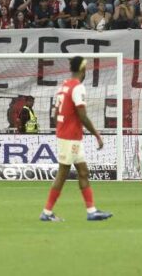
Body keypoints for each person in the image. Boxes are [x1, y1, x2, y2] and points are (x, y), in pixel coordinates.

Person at [41, 56, 112, 221]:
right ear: (82, 69)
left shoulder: (64, 85)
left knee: (83, 172)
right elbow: (83, 116)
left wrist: (61, 127)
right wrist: (97, 135)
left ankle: (92, 211)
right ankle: (46, 212)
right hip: (70, 136)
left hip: (69, 135)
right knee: (62, 173)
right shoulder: (78, 87)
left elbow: (54, 113)